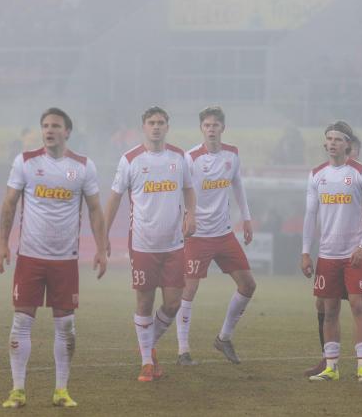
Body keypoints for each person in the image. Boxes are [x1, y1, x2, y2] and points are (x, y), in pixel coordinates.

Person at [0, 107, 108, 408]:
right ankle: (17, 390)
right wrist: (2, 244)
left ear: (67, 131)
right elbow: (9, 204)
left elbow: (96, 209)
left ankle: (61, 390)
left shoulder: (83, 167)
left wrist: (101, 247)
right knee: (20, 321)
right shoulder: (26, 162)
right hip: (29, 257)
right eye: (45, 125)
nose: (49, 130)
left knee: (66, 326)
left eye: (55, 126)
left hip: (65, 261)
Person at [104, 106, 196, 382]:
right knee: (144, 301)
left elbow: (189, 189)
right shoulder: (130, 160)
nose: (156, 127)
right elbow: (115, 198)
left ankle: (146, 341)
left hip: (174, 244)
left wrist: (191, 214)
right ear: (143, 127)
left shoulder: (179, 158)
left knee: (173, 303)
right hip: (143, 243)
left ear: (168, 126)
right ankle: (147, 360)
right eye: (151, 122)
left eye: (161, 122)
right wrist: (103, 234)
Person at [304, 133, 362, 378]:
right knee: (324, 304)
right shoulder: (323, 175)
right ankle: (328, 360)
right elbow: (313, 214)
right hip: (331, 253)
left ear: (354, 149)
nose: (338, 148)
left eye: (344, 144)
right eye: (331, 141)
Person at [175, 106, 256, 366]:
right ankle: (183, 350)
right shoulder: (190, 158)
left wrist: (246, 217)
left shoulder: (232, 154)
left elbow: (238, 184)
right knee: (189, 289)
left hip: (223, 234)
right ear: (202, 128)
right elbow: (180, 191)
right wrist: (187, 217)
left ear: (223, 128)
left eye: (215, 126)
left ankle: (223, 338)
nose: (211, 130)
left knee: (248, 285)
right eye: (207, 125)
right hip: (198, 236)